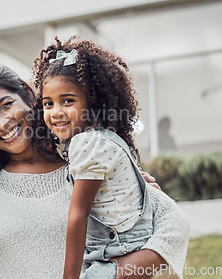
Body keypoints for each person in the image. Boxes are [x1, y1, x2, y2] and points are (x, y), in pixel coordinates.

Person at [0, 63, 190, 279]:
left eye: (6, 106)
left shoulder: (89, 162)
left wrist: (126, 270)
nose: (1, 123)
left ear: (26, 94)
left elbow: (173, 223)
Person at [34, 37, 155, 279]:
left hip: (120, 247)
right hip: (121, 243)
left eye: (67, 101)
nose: (56, 112)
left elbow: (78, 215)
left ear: (93, 103)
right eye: (48, 103)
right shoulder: (99, 139)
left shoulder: (88, 143)